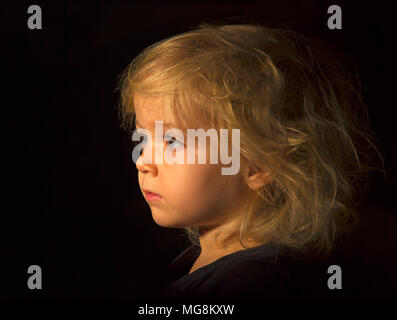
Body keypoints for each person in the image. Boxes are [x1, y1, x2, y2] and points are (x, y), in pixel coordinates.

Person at [116, 23, 384, 299]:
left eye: (172, 141)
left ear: (257, 164)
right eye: (143, 139)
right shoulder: (209, 262)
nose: (143, 161)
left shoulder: (249, 284)